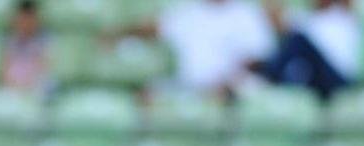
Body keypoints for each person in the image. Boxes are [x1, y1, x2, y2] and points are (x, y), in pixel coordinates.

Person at [103, 0, 274, 101]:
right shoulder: (189, 12)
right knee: (146, 94)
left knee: (247, 88)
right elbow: (152, 28)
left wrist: (226, 82)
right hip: (188, 87)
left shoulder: (247, 14)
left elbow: (256, 61)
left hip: (229, 88)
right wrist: (116, 35)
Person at [255, 0, 363, 101]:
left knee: (298, 40)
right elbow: (281, 22)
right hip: (319, 78)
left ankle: (267, 75)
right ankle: (269, 75)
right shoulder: (310, 17)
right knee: (295, 60)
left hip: (340, 80)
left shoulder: (342, 16)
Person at [0, 0, 55, 100]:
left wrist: (27, 86)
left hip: (36, 87)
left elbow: (45, 68)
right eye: (22, 19)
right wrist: (14, 86)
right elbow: (3, 71)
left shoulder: (46, 40)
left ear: (35, 19)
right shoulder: (8, 39)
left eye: (29, 19)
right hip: (12, 87)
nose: (25, 23)